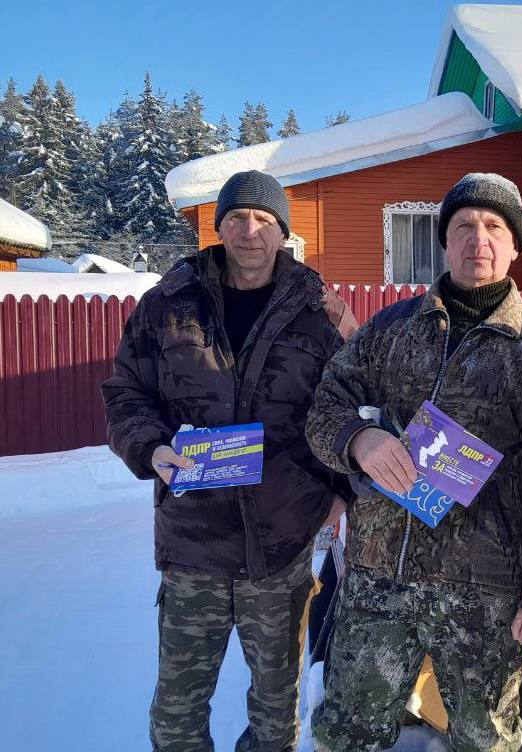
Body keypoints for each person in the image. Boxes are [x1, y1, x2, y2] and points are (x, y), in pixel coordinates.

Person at [306, 172, 522, 752]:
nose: (478, 239)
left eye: (494, 227)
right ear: (445, 242)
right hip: (380, 580)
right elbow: (324, 407)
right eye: (463, 226)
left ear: (514, 246)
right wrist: (359, 439)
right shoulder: (392, 328)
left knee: (486, 741)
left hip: (485, 595)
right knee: (347, 734)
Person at [102, 169, 358, 752]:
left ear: (283, 232)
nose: (250, 231)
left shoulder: (318, 311)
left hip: (282, 543)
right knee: (176, 716)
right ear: (218, 228)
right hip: (193, 541)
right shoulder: (168, 305)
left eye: (264, 220)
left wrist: (339, 491)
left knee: (276, 719)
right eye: (237, 218)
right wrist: (151, 448)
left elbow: (354, 404)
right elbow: (125, 393)